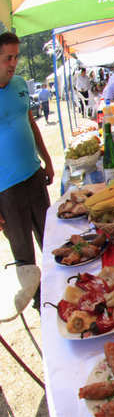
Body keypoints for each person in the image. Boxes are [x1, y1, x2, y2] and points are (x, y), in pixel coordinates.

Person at [0, 32, 54, 288]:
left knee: (53, 241)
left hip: (34, 176)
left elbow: (31, 124)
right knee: (25, 258)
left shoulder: (20, 84)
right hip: (6, 191)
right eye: (7, 58)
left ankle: (62, 291)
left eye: (16, 56)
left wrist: (47, 159)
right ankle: (37, 300)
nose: (13, 63)